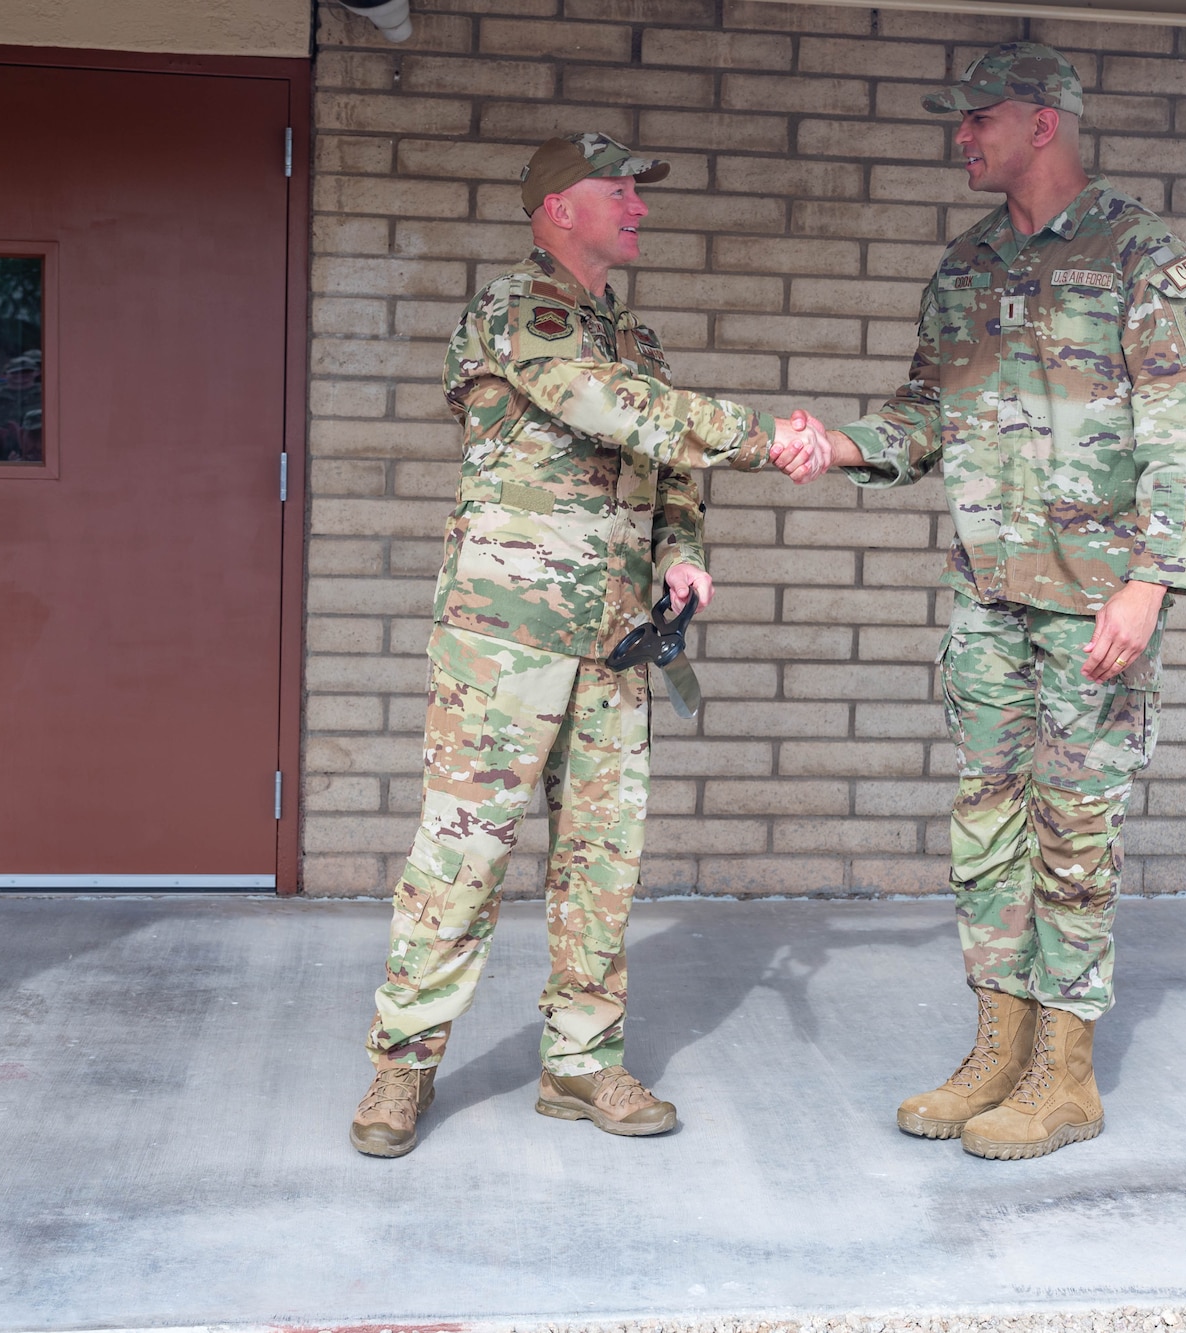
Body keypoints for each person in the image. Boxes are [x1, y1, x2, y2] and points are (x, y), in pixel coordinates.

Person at [350, 133, 832, 1158]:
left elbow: (666, 469)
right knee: (462, 855)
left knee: (600, 860)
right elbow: (612, 409)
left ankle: (580, 1064)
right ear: (555, 208)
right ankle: (402, 1067)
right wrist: (766, 437)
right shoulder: (516, 313)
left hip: (614, 639)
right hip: (505, 638)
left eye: (636, 192)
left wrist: (682, 550)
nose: (637, 206)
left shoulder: (636, 340)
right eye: (616, 190)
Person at [794, 44, 1186, 1160]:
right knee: (986, 828)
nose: (960, 137)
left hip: (1094, 606)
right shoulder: (966, 265)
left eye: (975, 118)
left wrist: (1149, 582)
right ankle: (996, 1047)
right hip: (988, 599)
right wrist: (837, 444)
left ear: (1043, 124)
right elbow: (922, 417)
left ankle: (1064, 1077)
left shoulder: (1142, 258)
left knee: (1074, 834)